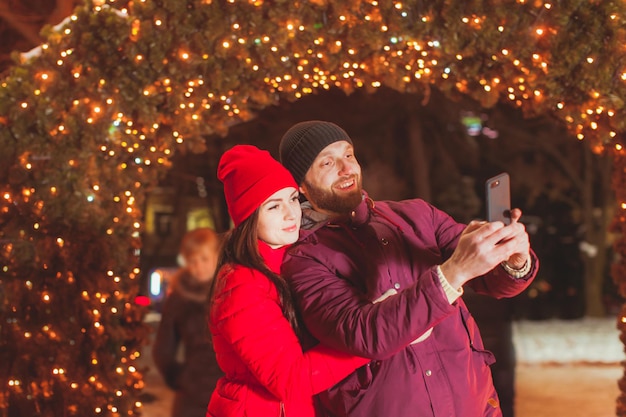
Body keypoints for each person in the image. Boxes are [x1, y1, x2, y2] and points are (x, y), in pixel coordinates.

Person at [278, 120, 539, 417]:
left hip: (473, 406)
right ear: (300, 185)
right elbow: (363, 334)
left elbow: (493, 281)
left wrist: (513, 259)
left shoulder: (416, 214)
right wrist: (453, 273)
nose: (346, 168)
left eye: (348, 155)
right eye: (327, 162)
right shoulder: (303, 258)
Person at [206, 145, 369, 417]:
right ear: (248, 217)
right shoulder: (241, 286)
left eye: (292, 199)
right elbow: (291, 381)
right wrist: (371, 339)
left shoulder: (288, 263)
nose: (291, 214)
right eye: (273, 206)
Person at [153, 227, 224, 417]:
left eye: (204, 259)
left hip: (230, 393)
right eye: (193, 261)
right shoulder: (179, 298)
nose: (199, 267)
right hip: (193, 396)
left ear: (216, 256)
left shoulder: (232, 289)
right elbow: (163, 348)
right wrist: (180, 378)